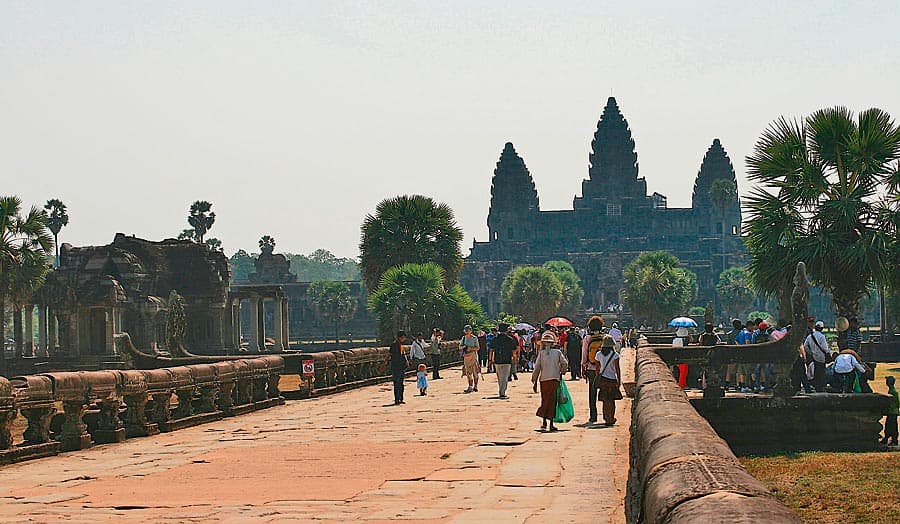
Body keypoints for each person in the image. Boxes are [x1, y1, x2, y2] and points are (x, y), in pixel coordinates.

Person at [532, 331, 568, 432]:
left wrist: (534, 380)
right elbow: (564, 363)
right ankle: (551, 423)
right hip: (554, 379)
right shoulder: (557, 353)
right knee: (553, 401)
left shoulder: (542, 354)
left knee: (545, 400)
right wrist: (562, 371)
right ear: (552, 343)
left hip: (544, 380)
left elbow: (537, 367)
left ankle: (544, 422)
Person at [581, 315, 605, 424]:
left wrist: (583, 366)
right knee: (605, 392)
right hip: (604, 369)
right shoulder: (606, 337)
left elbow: (584, 353)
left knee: (592, 392)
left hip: (591, 368)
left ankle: (593, 416)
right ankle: (607, 415)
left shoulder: (587, 338)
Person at [595, 335, 622, 426]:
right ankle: (611, 417)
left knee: (605, 400)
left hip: (603, 379)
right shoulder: (615, 355)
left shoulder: (598, 354)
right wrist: (619, 380)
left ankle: (606, 418)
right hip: (612, 379)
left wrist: (597, 377)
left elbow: (597, 368)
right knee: (611, 400)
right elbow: (617, 369)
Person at [489, 323, 517, 399]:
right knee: (505, 376)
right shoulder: (510, 339)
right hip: (507, 360)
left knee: (499, 376)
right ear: (506, 330)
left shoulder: (495, 339)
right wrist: (514, 359)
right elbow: (514, 351)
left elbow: (491, 350)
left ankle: (501, 390)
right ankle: (502, 391)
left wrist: (490, 360)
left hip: (497, 360)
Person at [803, 321, 830, 392]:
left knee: (816, 371)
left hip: (814, 356)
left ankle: (817, 385)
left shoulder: (810, 336)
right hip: (821, 357)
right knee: (821, 371)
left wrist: (810, 352)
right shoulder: (822, 336)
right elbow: (825, 348)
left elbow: (805, 346)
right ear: (822, 328)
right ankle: (821, 386)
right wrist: (828, 353)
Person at [388, 331, 409, 405]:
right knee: (396, 383)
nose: (404, 339)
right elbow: (389, 354)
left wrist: (406, 361)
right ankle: (397, 399)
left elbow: (403, 355)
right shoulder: (393, 345)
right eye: (403, 337)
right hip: (395, 366)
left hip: (401, 367)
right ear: (400, 337)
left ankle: (401, 398)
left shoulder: (401, 345)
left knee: (401, 384)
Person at [459, 325, 481, 393]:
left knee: (475, 373)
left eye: (468, 330)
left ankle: (475, 386)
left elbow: (478, 348)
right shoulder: (463, 338)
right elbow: (460, 346)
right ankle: (470, 386)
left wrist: (471, 348)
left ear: (471, 331)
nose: (467, 332)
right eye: (466, 331)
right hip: (466, 357)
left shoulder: (474, 338)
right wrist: (464, 347)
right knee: (468, 373)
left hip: (473, 356)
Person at [881, 376, 899, 446]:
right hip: (892, 411)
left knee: (892, 426)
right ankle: (887, 438)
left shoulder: (893, 392)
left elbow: (896, 402)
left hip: (892, 412)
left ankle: (894, 440)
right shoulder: (892, 390)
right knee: (889, 425)